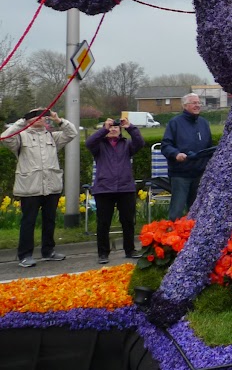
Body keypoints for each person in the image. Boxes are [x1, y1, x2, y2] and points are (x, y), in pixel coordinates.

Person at [1, 108, 77, 268]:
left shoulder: (51, 136)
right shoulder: (20, 137)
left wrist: (58, 120)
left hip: (51, 186)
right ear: (29, 119)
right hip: (30, 187)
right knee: (28, 222)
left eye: (43, 116)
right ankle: (25, 255)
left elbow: (71, 133)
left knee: (49, 220)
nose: (42, 118)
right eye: (37, 116)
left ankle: (48, 251)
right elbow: (5, 138)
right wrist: (23, 121)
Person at [85, 116, 144, 263]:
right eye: (110, 128)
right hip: (104, 188)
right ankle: (103, 253)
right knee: (103, 223)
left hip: (125, 187)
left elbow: (140, 143)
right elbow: (89, 142)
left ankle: (130, 249)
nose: (112, 129)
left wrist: (130, 127)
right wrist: (103, 129)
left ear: (120, 131)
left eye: (115, 127)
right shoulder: (99, 146)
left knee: (128, 221)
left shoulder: (127, 145)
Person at [160, 93, 214, 220]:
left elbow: (209, 147)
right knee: (177, 211)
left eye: (198, 103)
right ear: (185, 106)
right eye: (194, 103)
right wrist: (176, 154)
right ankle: (172, 237)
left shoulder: (204, 123)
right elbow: (165, 145)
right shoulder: (175, 123)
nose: (197, 105)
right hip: (181, 174)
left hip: (200, 173)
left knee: (197, 211)